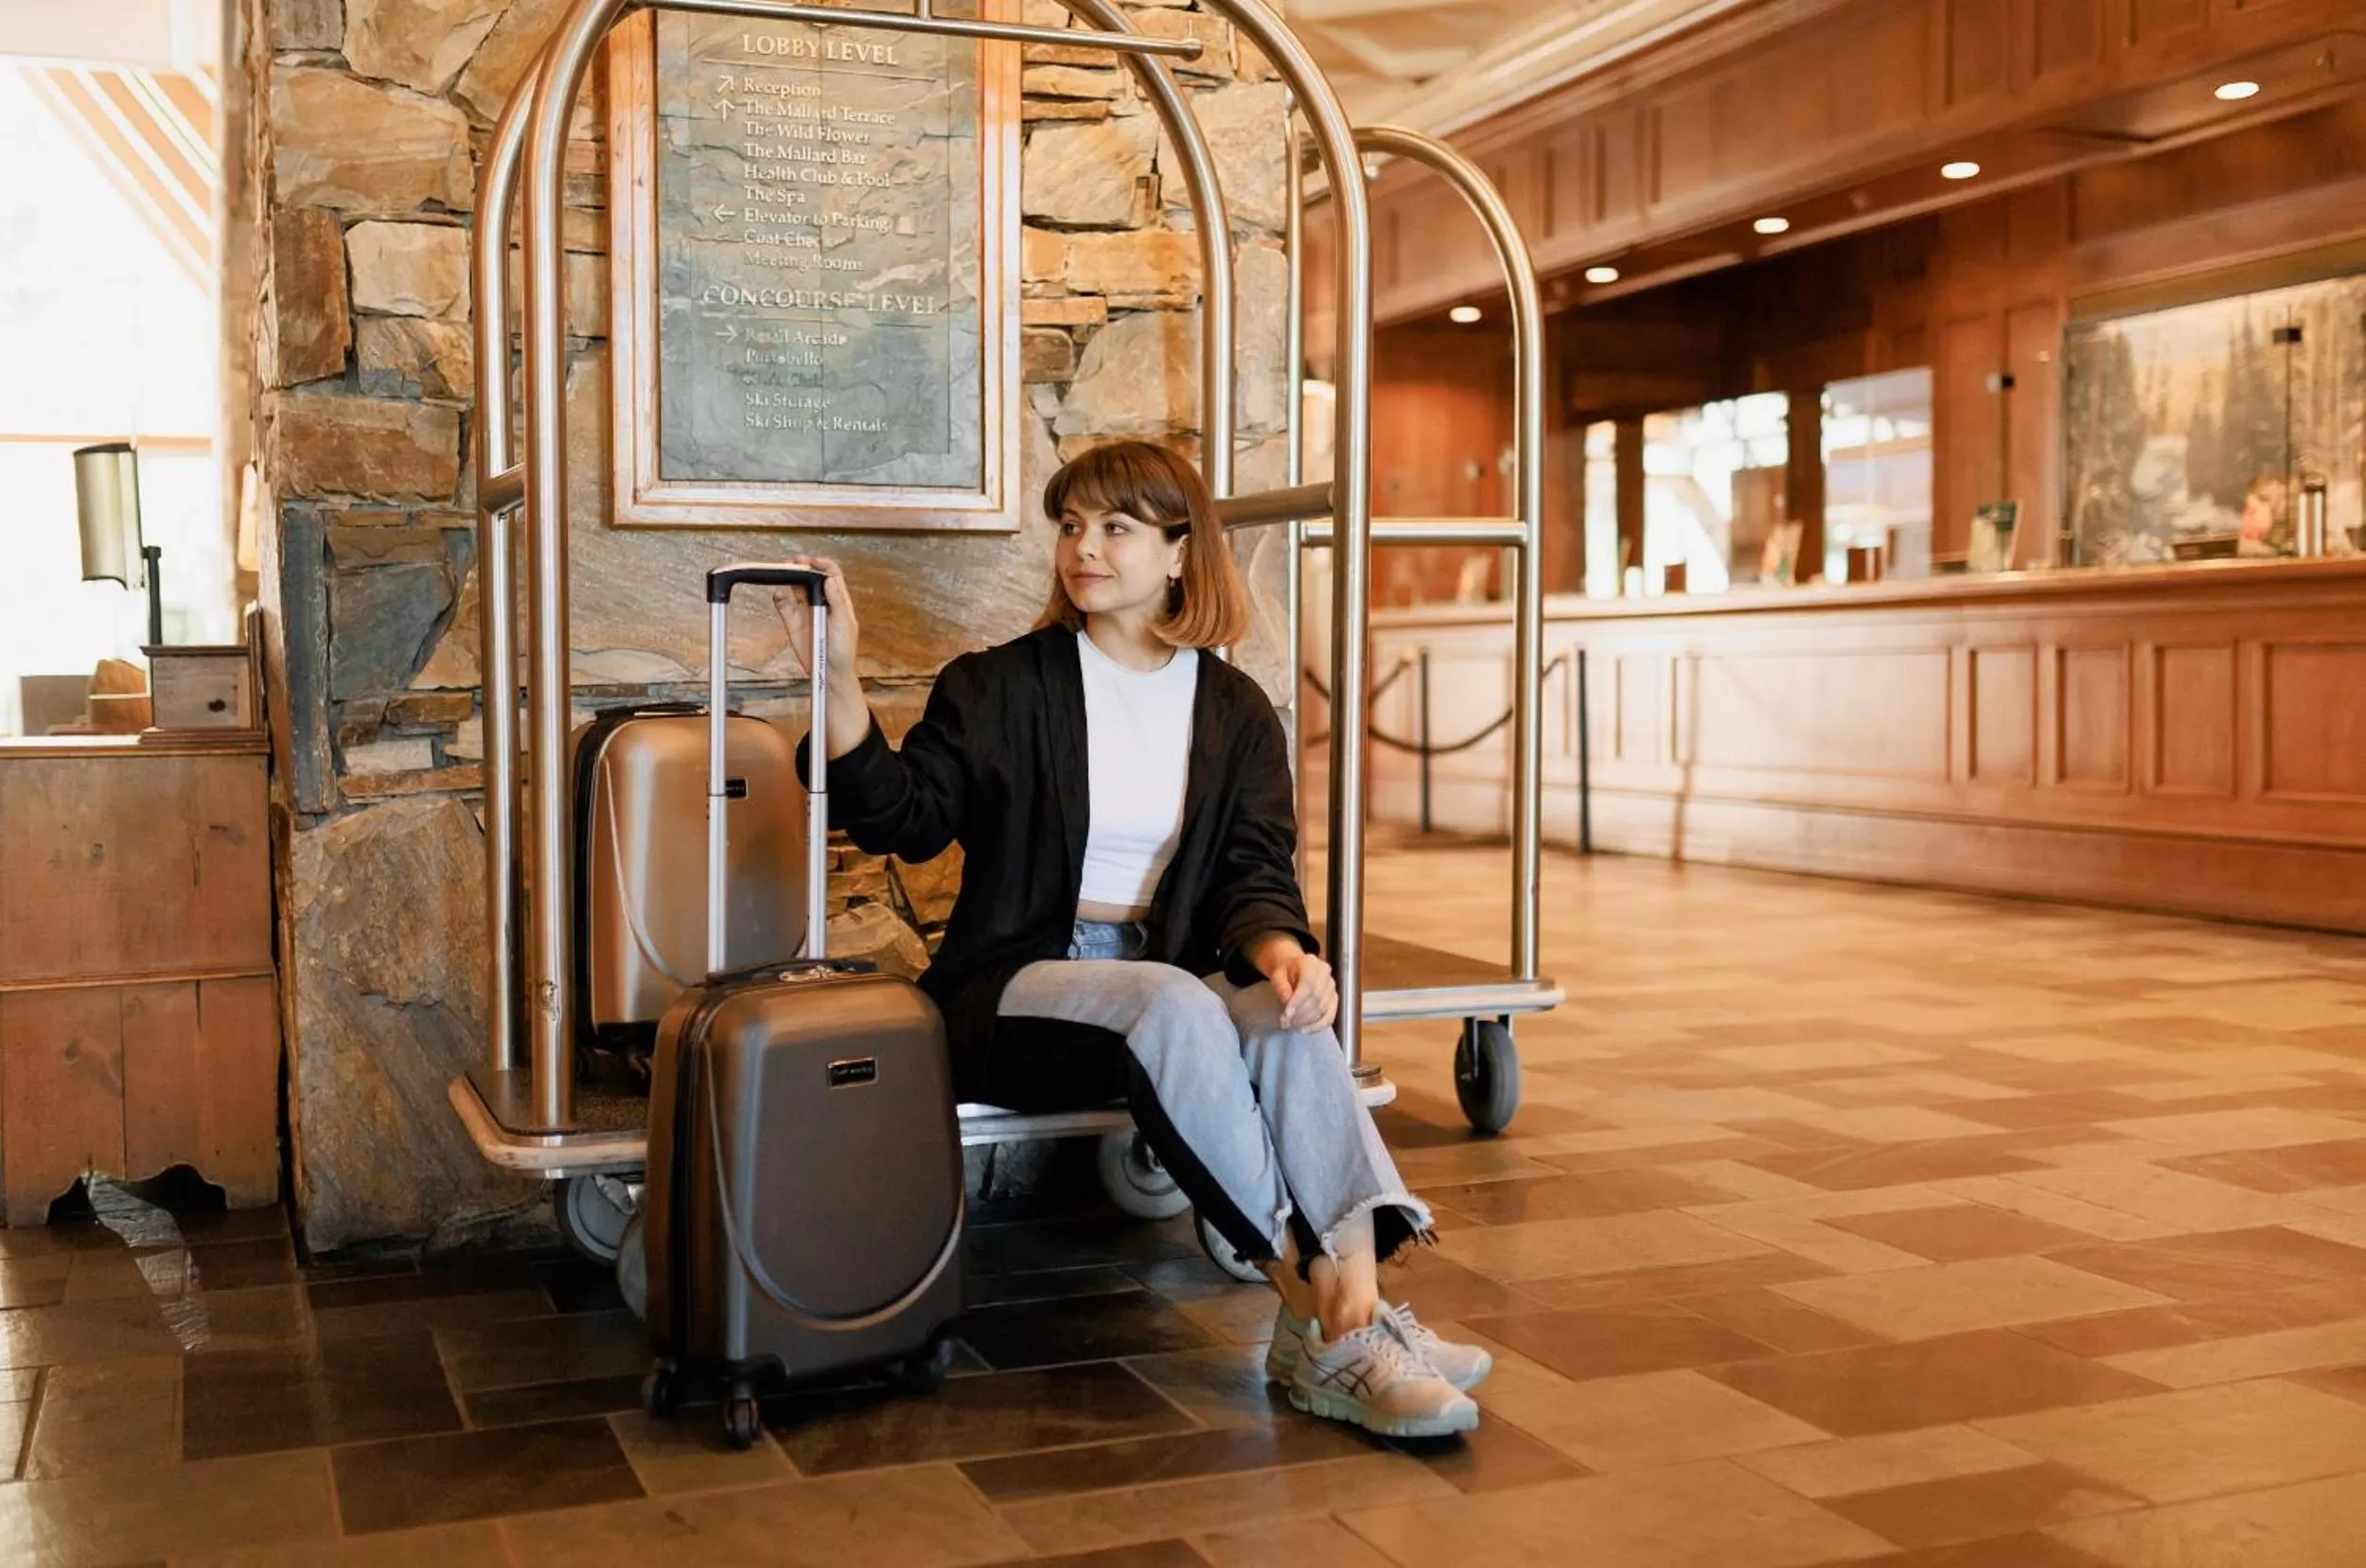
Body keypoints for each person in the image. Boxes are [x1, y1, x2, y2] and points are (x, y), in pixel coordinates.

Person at [774, 439, 1488, 1438]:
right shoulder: (1001, 686)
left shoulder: (1234, 711)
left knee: (1286, 1017)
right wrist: (837, 682)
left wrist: (1285, 953)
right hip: (1018, 990)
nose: (1084, 548)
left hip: (1167, 996)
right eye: (1070, 525)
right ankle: (1335, 1324)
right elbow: (905, 816)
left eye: (1115, 527)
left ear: (1180, 551)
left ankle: (1347, 1318)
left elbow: (1255, 871)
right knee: (1180, 996)